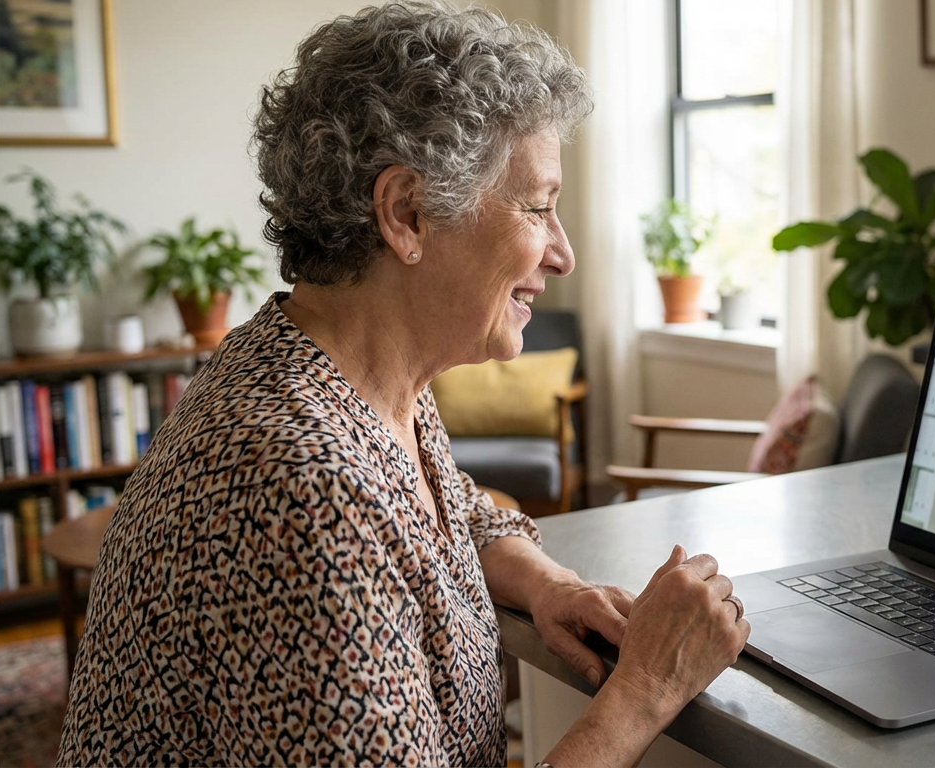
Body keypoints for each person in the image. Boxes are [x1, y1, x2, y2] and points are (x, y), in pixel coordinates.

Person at [56, 5, 749, 766]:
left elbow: (445, 521)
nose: (563, 253)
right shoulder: (303, 488)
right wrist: (645, 687)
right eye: (538, 207)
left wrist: (548, 583)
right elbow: (364, 524)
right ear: (407, 213)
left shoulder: (346, 381)